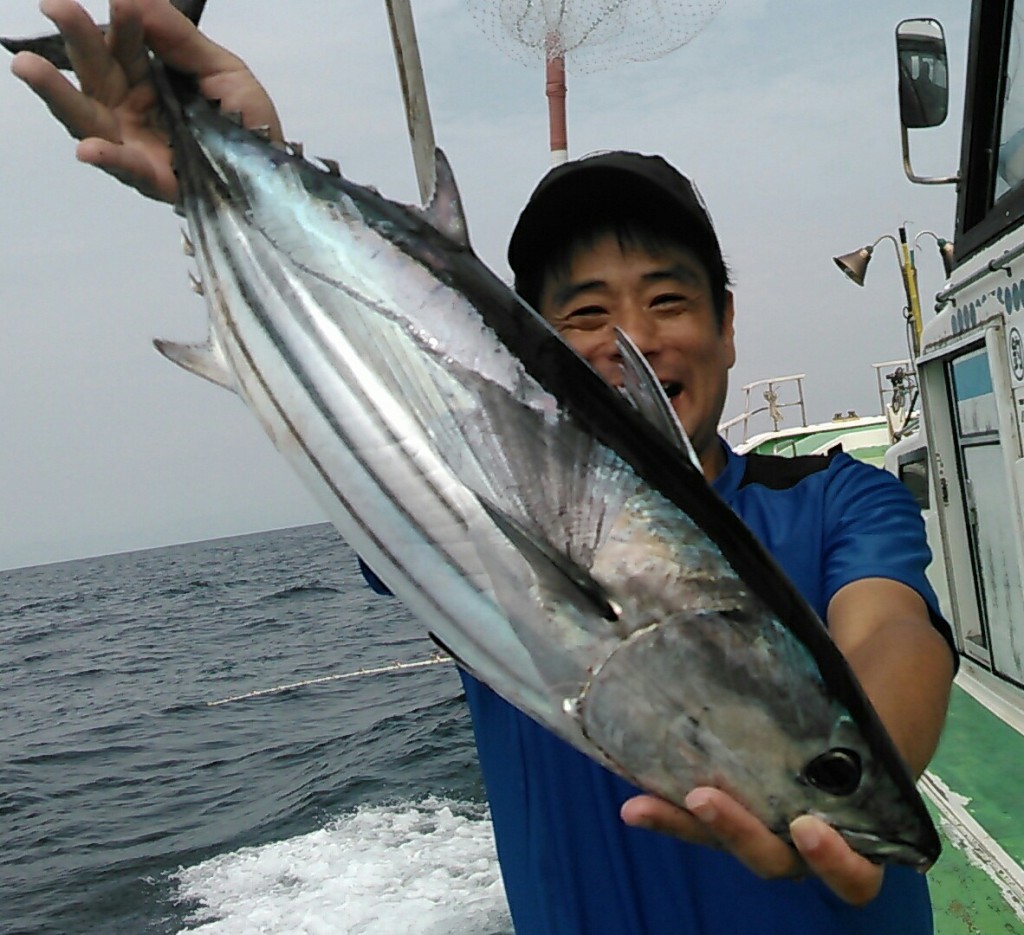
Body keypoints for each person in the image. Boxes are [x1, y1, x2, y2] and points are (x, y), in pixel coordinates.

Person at [12, 2, 957, 931]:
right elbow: (391, 371)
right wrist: (233, 152)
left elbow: (892, 641)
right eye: (585, 313)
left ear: (728, 324)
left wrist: (850, 770)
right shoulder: (464, 485)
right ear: (536, 343)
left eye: (669, 297)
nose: (632, 336)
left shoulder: (840, 498)